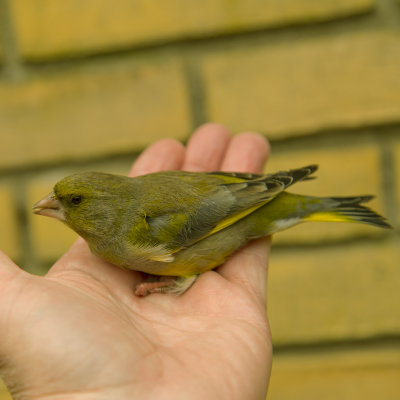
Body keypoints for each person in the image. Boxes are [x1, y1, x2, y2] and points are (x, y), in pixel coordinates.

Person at [0, 123, 272, 399]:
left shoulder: (135, 235)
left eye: (76, 201)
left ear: (106, 206)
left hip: (243, 212)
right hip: (234, 189)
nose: (49, 203)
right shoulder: (125, 215)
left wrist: (168, 283)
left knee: (185, 266)